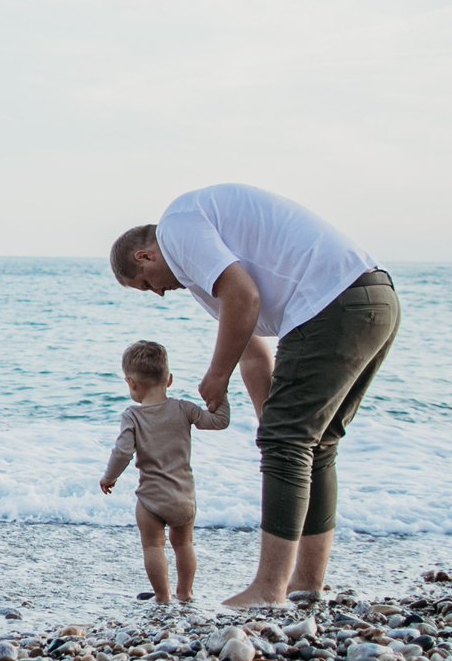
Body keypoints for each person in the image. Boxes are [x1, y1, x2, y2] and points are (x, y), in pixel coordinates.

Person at [110, 184, 400, 609]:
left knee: (292, 444)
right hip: (373, 299)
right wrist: (270, 423)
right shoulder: (205, 272)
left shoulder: (176, 227)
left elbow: (245, 297)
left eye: (146, 286)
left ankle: (267, 591)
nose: (157, 294)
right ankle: (304, 586)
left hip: (331, 301)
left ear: (144, 256)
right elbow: (252, 350)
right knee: (312, 446)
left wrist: (216, 376)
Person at [99, 339, 228, 605]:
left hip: (151, 499)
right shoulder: (185, 408)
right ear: (168, 380)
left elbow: (123, 451)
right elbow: (219, 421)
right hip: (183, 497)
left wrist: (109, 477)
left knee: (153, 546)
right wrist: (220, 393)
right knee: (184, 545)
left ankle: (162, 596)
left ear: (131, 383)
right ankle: (185, 592)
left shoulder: (133, 416)